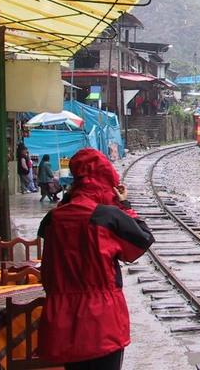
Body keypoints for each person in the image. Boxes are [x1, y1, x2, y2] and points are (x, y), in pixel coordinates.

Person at [38, 148, 154, 369]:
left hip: (63, 320)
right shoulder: (107, 217)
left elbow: (49, 272)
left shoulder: (53, 219)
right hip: (103, 321)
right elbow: (142, 241)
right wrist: (124, 206)